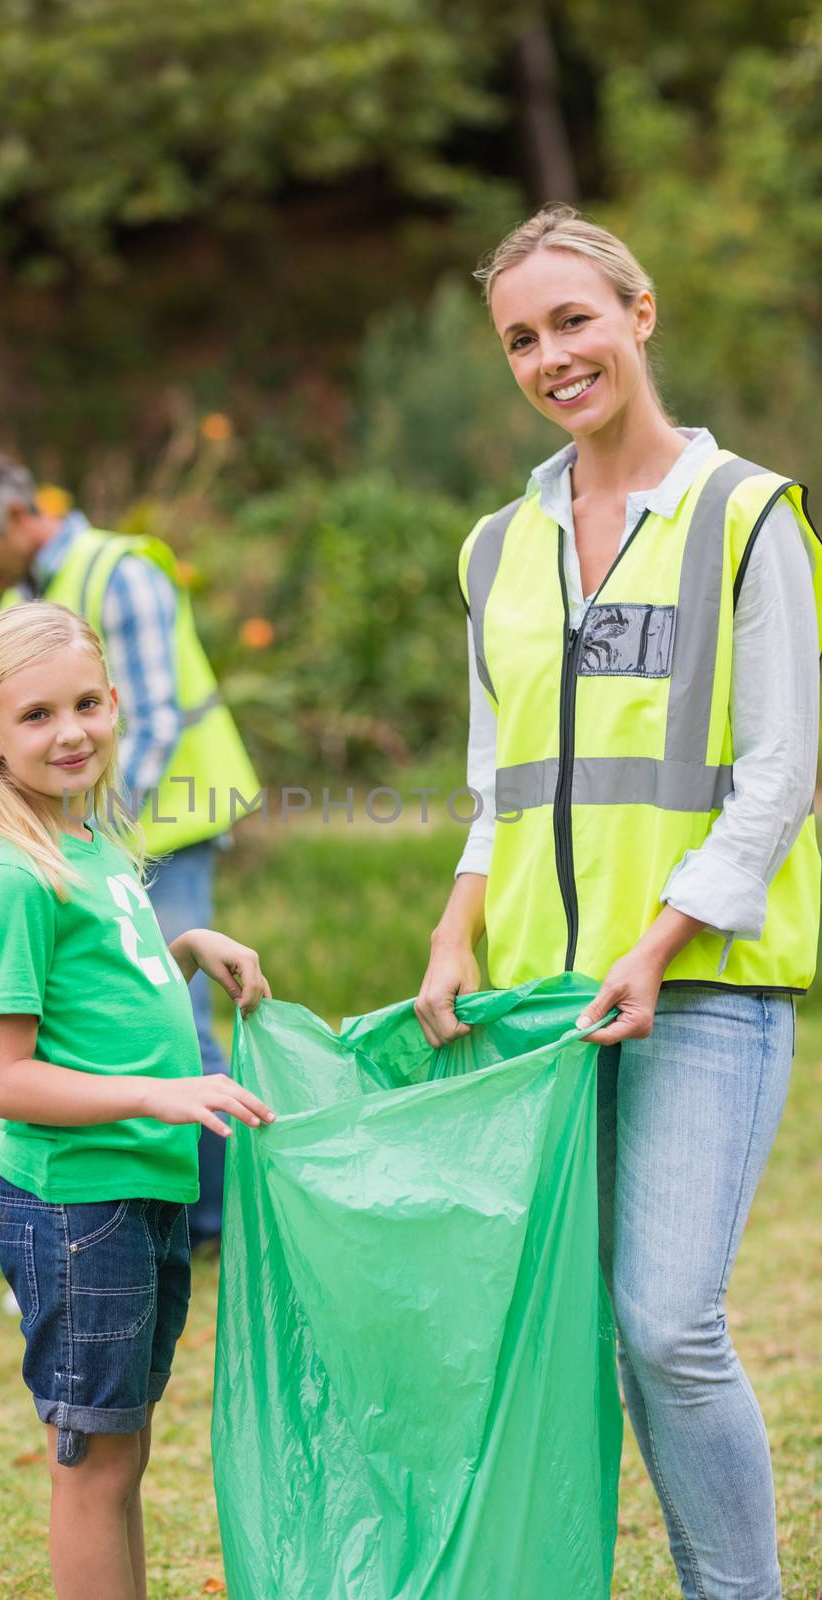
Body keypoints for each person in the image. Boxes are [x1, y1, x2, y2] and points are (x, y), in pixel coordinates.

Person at [416, 205, 821, 1600]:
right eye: (519, 338)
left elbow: (778, 771)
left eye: (571, 320)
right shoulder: (491, 550)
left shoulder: (742, 515)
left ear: (637, 315)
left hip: (700, 983)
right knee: (582, 1322)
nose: (549, 355)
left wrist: (660, 937)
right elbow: (493, 778)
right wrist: (452, 929)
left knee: (666, 1323)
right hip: (538, 1002)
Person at [0, 601, 274, 1600]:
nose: (72, 731)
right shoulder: (12, 877)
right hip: (76, 1204)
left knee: (120, 1453)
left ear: (116, 700)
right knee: (90, 1464)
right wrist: (163, 1094)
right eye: (37, 714)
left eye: (86, 703)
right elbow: (6, 1079)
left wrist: (185, 950)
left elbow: (96, 996)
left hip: (140, 1185)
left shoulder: (91, 839)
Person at [0, 445, 260, 1248]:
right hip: (89, 831)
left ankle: (196, 1211)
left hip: (159, 818)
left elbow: (154, 715)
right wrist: (80, 837)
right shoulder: (24, 600)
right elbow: (10, 1071)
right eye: (41, 716)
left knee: (181, 1013)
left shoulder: (119, 570)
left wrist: (99, 835)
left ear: (12, 519)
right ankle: (203, 1214)